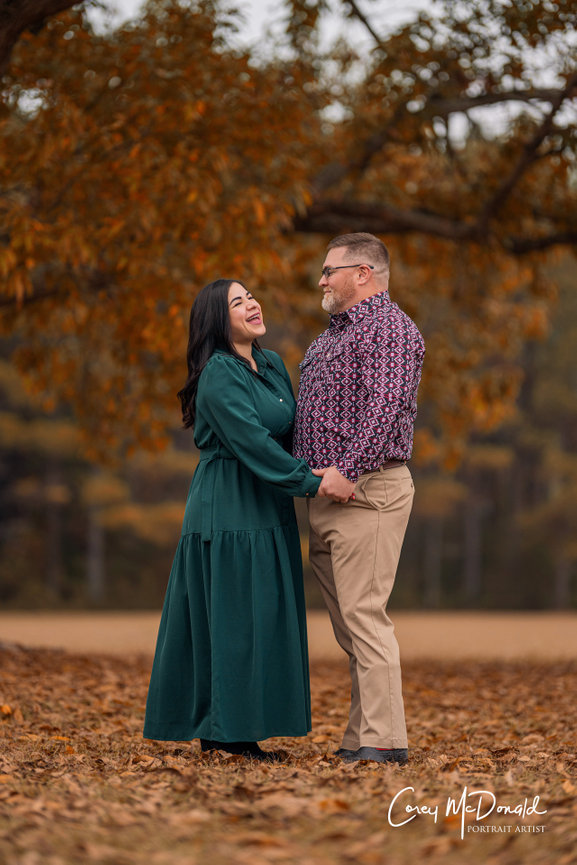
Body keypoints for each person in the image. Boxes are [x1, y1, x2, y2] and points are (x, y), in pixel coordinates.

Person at [143, 278, 326, 762]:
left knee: (263, 617)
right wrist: (312, 481)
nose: (252, 304)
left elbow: (291, 437)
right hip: (228, 508)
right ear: (216, 321)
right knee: (233, 621)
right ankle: (225, 734)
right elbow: (250, 442)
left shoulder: (271, 365)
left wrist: (321, 467)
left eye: (251, 296)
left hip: (269, 505)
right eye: (237, 302)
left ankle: (247, 728)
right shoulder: (219, 373)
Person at [293, 233, 425, 765]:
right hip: (327, 496)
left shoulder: (389, 328)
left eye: (330, 270)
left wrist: (347, 470)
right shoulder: (330, 338)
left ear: (363, 272)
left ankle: (385, 741)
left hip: (367, 489)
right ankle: (360, 736)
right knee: (351, 628)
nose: (322, 280)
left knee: (365, 619)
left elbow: (386, 405)